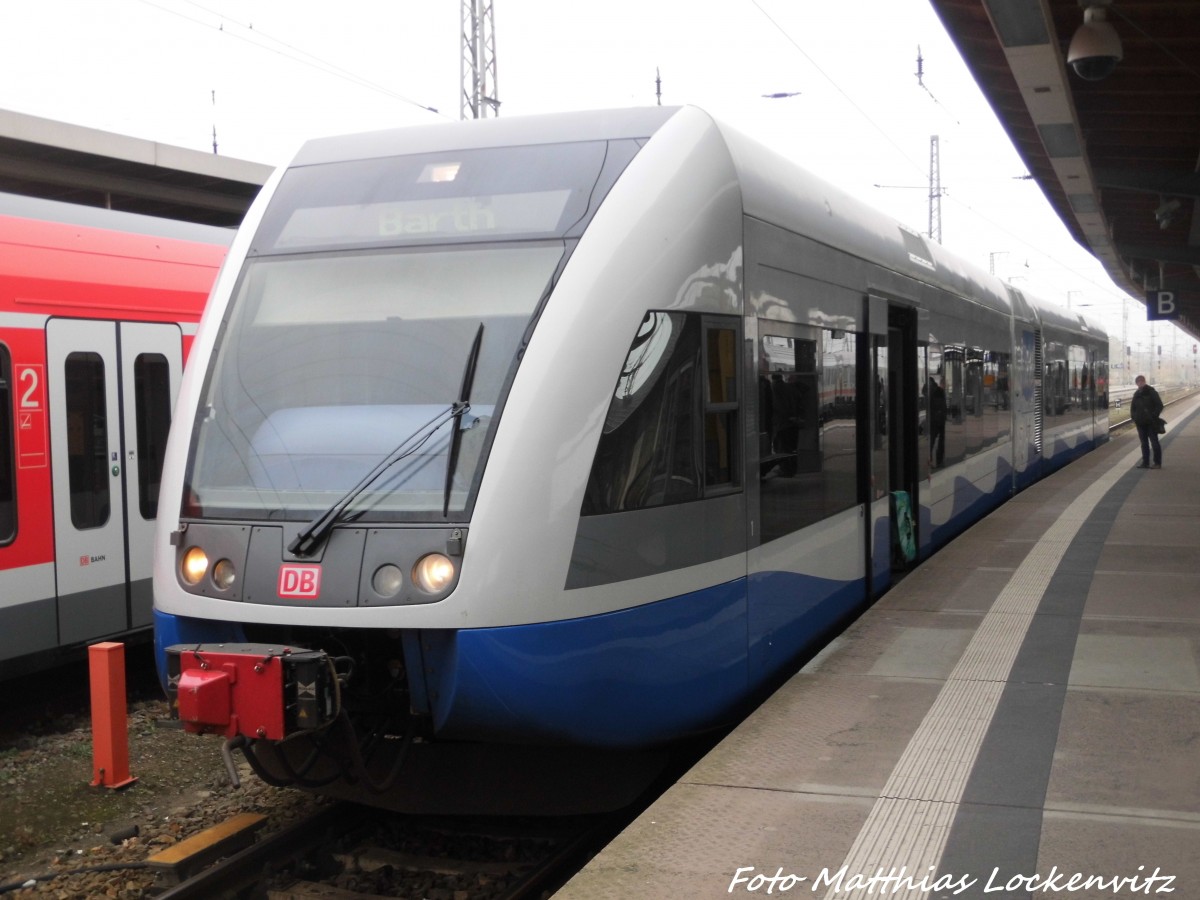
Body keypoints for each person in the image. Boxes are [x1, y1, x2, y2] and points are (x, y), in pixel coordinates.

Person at [1130, 374, 1163, 469]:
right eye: (1138, 382)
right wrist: (1134, 417)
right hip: (1140, 423)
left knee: (1154, 442)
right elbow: (1133, 408)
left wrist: (1153, 416)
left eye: (1141, 381)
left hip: (1151, 423)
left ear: (1144, 382)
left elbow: (1159, 405)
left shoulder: (1152, 392)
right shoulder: (1136, 394)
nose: (1140, 383)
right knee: (1144, 444)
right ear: (1136, 383)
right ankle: (1145, 462)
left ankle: (1157, 463)